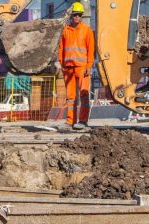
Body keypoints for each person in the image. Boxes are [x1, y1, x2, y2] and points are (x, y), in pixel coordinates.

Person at [58, 2, 95, 130]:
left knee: (84, 95)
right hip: (68, 68)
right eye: (75, 15)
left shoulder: (87, 30)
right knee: (70, 97)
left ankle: (83, 121)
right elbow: (61, 49)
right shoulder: (65, 31)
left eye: (79, 15)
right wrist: (62, 64)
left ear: (82, 16)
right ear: (71, 16)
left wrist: (89, 65)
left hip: (82, 67)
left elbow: (91, 50)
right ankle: (70, 121)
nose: (77, 17)